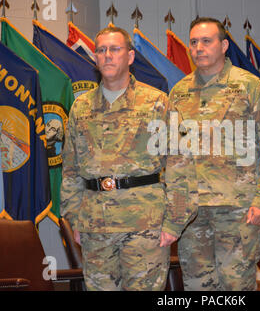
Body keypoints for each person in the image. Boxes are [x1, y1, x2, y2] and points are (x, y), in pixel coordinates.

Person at [60, 26, 195, 291]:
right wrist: (75, 218)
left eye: (115, 49)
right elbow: (71, 170)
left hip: (146, 226)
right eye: (101, 50)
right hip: (95, 226)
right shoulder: (81, 106)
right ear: (95, 57)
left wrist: (174, 223)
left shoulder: (157, 102)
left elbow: (181, 167)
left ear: (130, 57)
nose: (107, 56)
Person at [170, 17, 260, 291]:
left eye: (206, 41)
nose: (199, 48)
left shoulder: (248, 86)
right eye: (194, 42)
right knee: (198, 287)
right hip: (192, 212)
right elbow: (172, 155)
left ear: (224, 45)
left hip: (239, 210)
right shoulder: (179, 93)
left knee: (236, 287)